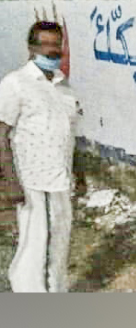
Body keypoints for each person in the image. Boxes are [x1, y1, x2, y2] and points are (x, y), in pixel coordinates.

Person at [0, 21, 80, 292]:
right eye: (45, 44)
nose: (52, 50)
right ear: (31, 48)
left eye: (56, 44)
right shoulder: (16, 84)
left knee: (58, 248)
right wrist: (9, 181)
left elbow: (67, 134)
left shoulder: (63, 85)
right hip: (32, 182)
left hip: (60, 180)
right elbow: (1, 134)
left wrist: (75, 174)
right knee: (36, 249)